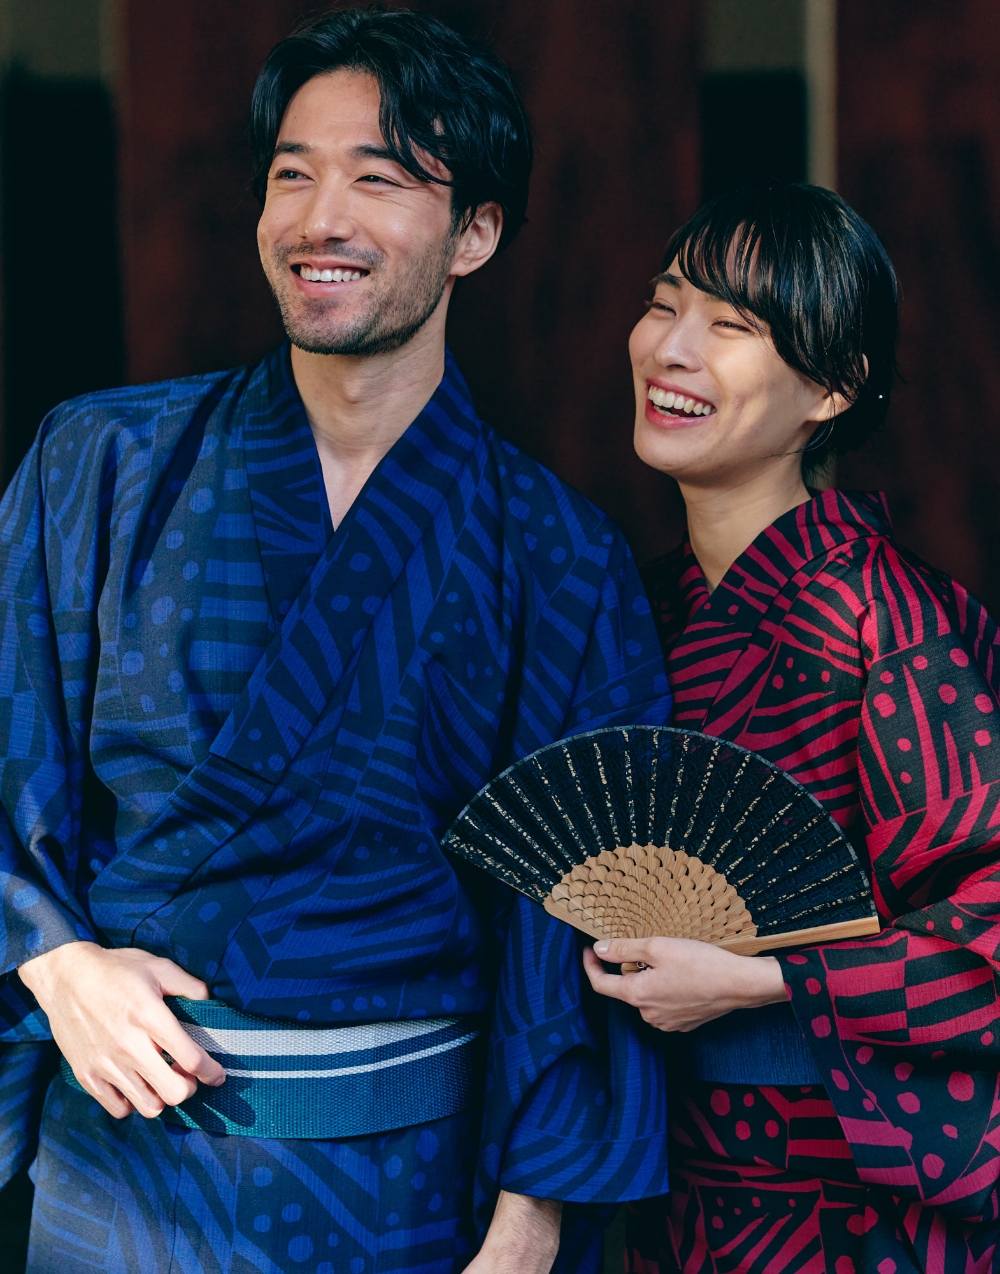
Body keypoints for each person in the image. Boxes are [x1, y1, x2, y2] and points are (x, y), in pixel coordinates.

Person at [0, 8, 674, 1271]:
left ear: (474, 233)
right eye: (292, 174)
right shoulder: (97, 464)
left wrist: (529, 1223)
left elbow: (579, 912)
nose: (321, 219)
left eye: (379, 178)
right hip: (122, 1183)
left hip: (404, 1191)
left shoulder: (557, 554)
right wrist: (52, 958)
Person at [584, 179, 1000, 1273]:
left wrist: (760, 981)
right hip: (678, 1186)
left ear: (832, 387)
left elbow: (991, 919)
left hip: (848, 1204)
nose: (671, 348)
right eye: (663, 304)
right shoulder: (637, 611)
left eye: (729, 327)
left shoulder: (887, 622)